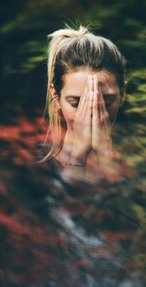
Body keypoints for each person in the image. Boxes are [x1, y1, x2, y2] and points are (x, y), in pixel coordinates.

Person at [39, 25, 128, 182]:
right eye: (76, 103)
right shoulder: (33, 163)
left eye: (105, 103)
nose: (91, 112)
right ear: (56, 96)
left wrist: (105, 154)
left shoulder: (140, 161)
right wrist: (78, 156)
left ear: (123, 94)